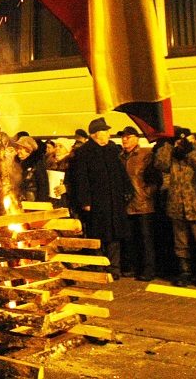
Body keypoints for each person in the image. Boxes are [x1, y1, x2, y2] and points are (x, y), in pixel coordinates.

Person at [67, 117, 133, 279]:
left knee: (114, 236)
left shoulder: (112, 150)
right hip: (96, 202)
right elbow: (81, 179)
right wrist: (85, 201)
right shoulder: (84, 152)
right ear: (96, 134)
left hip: (114, 200)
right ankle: (99, 265)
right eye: (105, 131)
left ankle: (114, 267)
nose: (109, 134)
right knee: (98, 234)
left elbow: (121, 173)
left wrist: (127, 190)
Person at [154, 126, 196, 289]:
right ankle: (185, 273)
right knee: (181, 243)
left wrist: (189, 151)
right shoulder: (171, 152)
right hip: (176, 205)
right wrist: (167, 145)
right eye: (177, 139)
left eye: (182, 139)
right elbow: (161, 164)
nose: (180, 142)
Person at [119, 127, 157, 282]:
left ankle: (149, 270)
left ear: (136, 138)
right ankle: (133, 267)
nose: (125, 140)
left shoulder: (145, 154)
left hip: (143, 204)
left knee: (145, 239)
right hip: (126, 205)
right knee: (130, 238)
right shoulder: (120, 156)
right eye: (123, 137)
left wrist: (146, 194)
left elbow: (154, 179)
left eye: (128, 137)